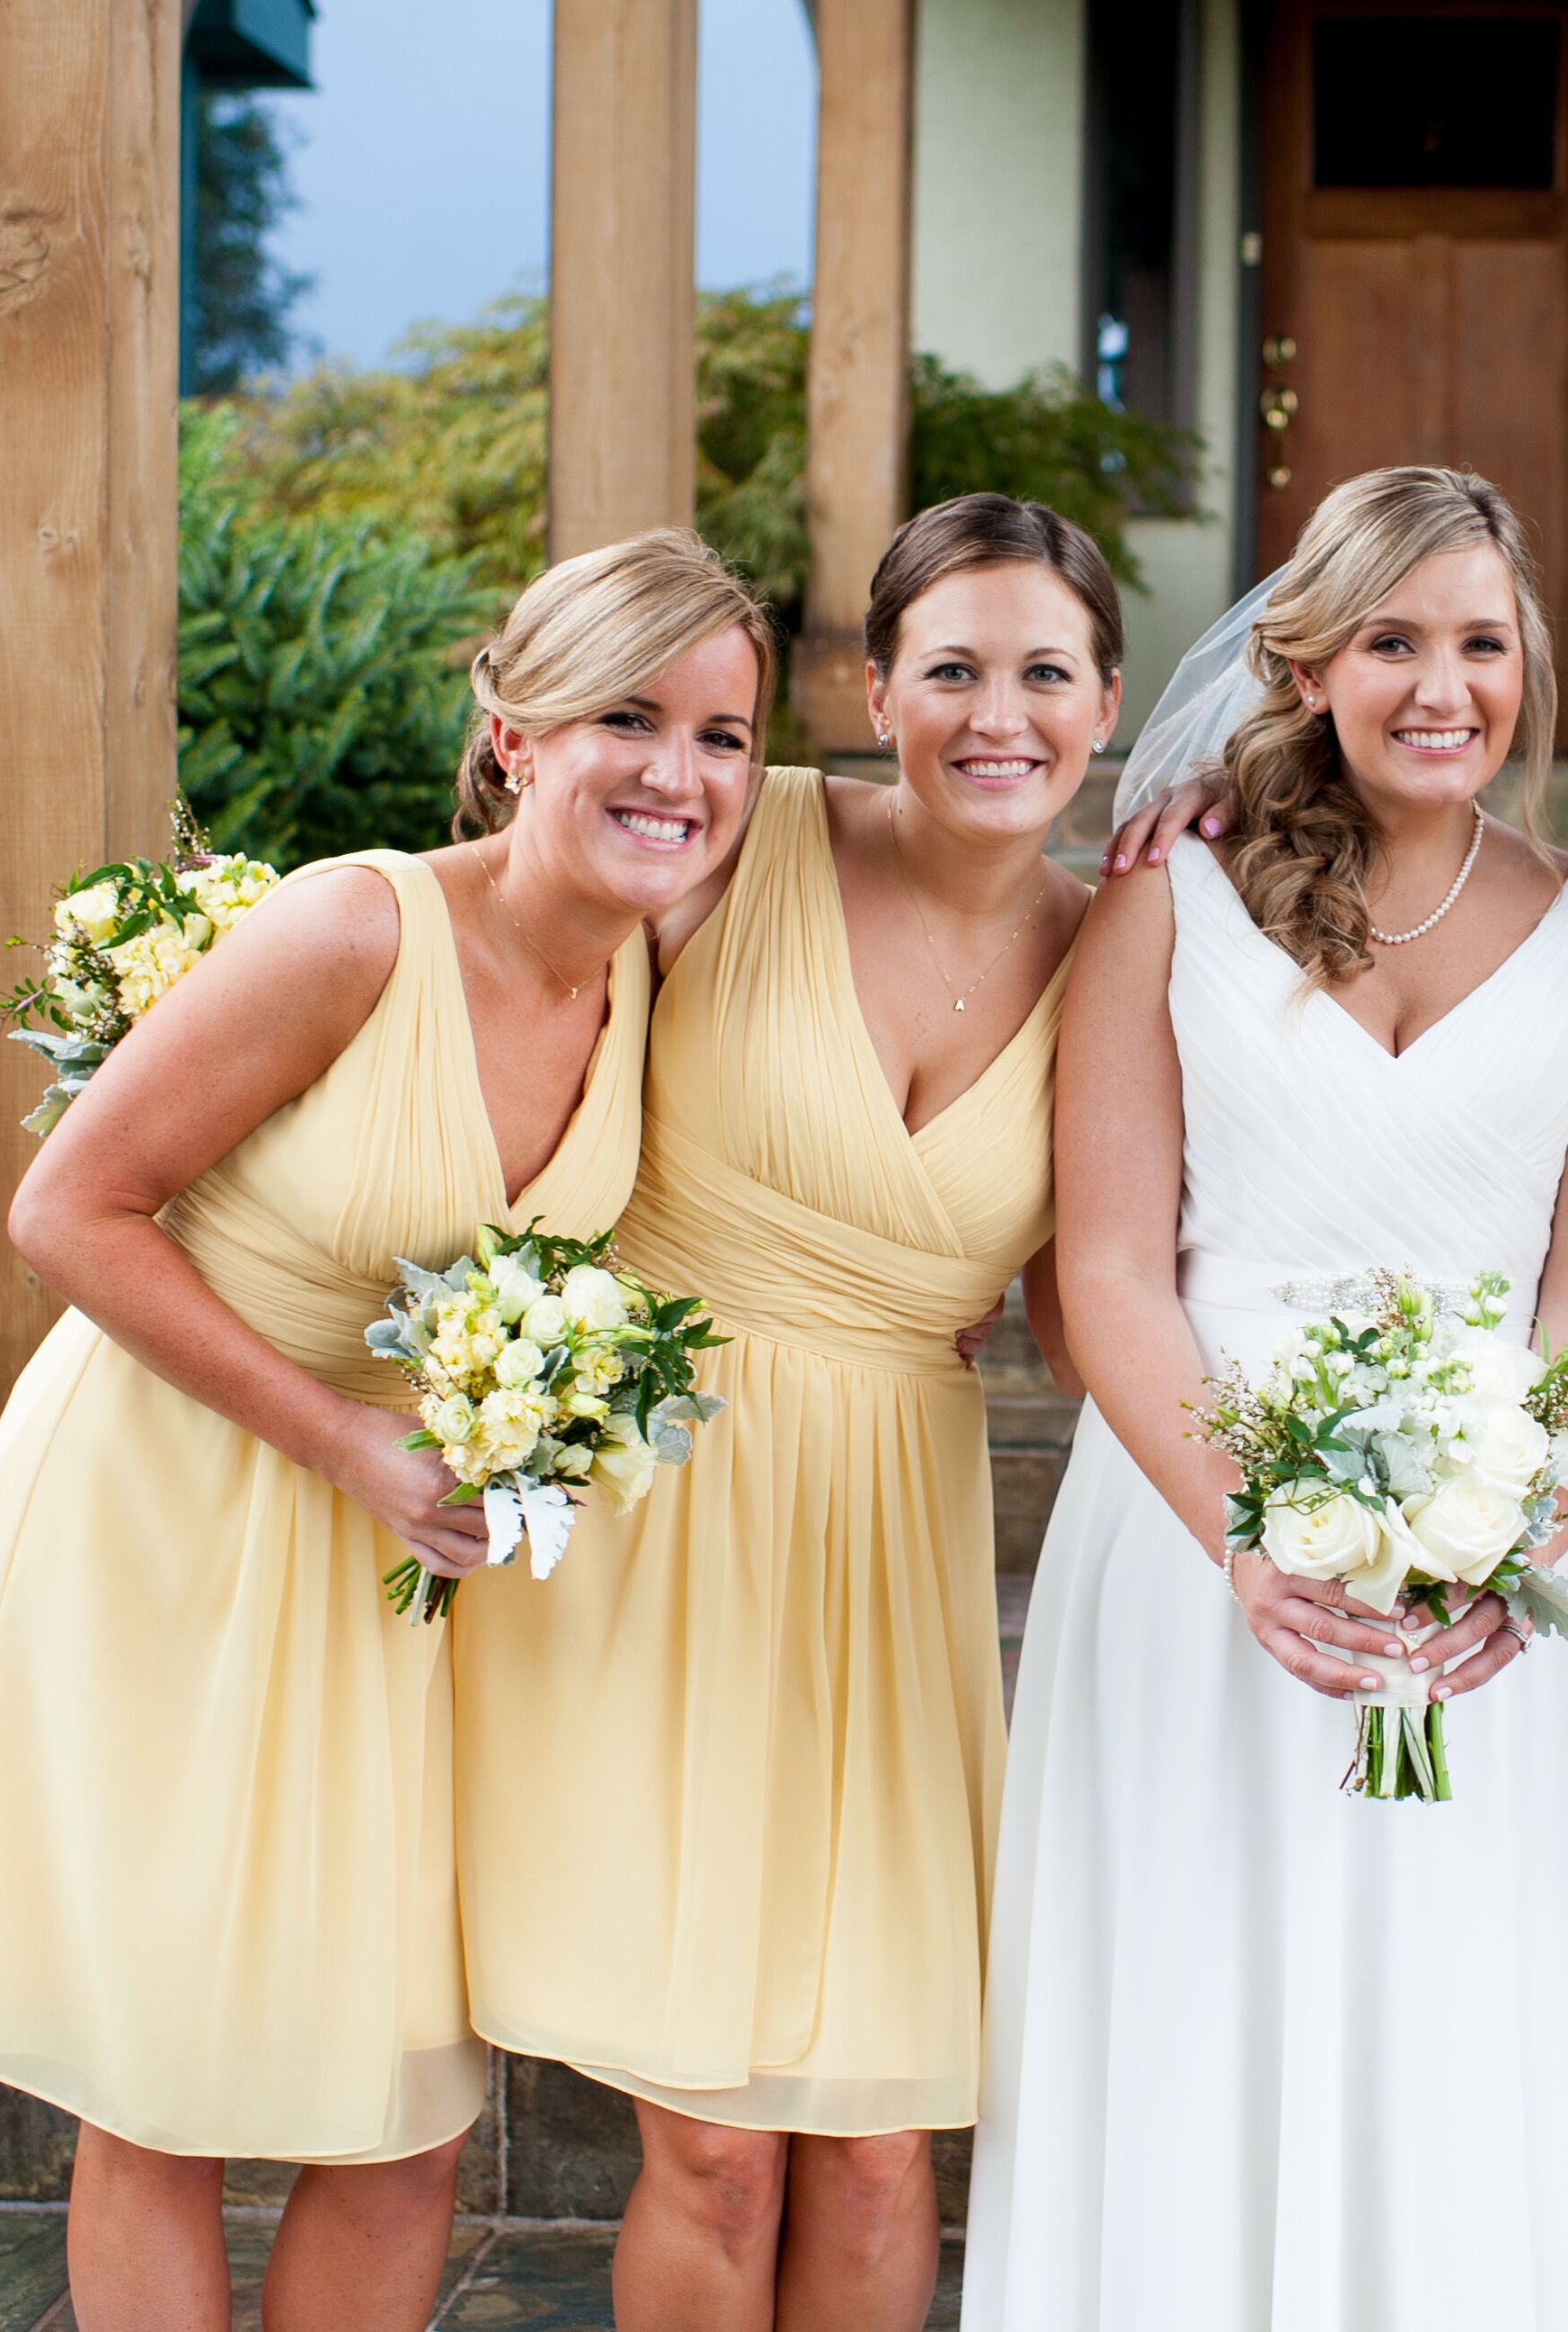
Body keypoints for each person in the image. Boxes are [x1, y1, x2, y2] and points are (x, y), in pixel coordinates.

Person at [0, 530, 771, 2332]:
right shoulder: (355, 924)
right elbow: (68, 1211)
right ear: (513, 730)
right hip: (173, 1519)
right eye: (627, 713)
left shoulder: (652, 985)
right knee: (170, 2085)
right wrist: (346, 1440)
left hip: (398, 1577)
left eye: (726, 733)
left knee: (401, 2116)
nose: (677, 772)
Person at [966, 468, 1568, 2330]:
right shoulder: (1168, 899)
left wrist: (1530, 1507)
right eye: (1393, 640)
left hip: (1497, 1566)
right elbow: (1112, 1269)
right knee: (1198, 1983)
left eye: (1479, 641)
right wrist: (1250, 1540)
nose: (1441, 684)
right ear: (1308, 662)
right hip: (1200, 1536)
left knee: (1471, 2002)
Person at [451, 496, 1113, 2332]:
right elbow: (504, 989)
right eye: (953, 667)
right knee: (721, 2140)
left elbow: (1095, 1293)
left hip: (895, 1553)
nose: (1002, 714)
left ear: (1108, 698)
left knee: (888, 2136)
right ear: (874, 689)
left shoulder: (1118, 948)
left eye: (1045, 670)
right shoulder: (737, 842)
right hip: (668, 1530)